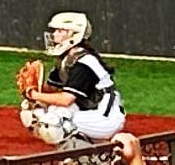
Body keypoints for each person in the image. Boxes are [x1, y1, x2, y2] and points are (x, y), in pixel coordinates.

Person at [19, 12, 140, 164]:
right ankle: (81, 154)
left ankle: (97, 161)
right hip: (89, 110)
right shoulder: (66, 59)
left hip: (106, 117)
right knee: (34, 113)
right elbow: (52, 90)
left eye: (59, 31)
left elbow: (65, 99)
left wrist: (34, 94)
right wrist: (33, 90)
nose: (54, 35)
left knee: (56, 123)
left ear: (73, 35)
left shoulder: (84, 63)